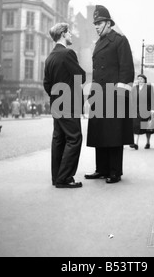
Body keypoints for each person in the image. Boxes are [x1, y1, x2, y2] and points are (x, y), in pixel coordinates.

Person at [85, 5, 135, 184]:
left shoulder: (120, 41)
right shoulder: (98, 43)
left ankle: (115, 171)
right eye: (95, 24)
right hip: (99, 95)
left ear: (108, 23)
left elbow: (127, 70)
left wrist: (121, 97)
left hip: (114, 97)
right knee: (100, 133)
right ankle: (101, 168)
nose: (96, 26)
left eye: (99, 23)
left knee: (114, 134)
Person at [44, 23, 86, 189]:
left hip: (56, 104)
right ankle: (65, 177)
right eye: (69, 32)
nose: (71, 35)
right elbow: (81, 76)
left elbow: (46, 84)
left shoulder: (50, 57)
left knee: (59, 140)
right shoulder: (68, 53)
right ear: (63, 33)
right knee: (74, 138)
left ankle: (56, 177)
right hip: (69, 104)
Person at [130, 74, 154, 150]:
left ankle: (148, 142)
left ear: (145, 80)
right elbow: (131, 99)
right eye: (138, 79)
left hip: (146, 110)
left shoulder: (149, 88)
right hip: (136, 111)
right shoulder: (134, 88)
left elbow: (152, 98)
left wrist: (152, 109)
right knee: (136, 126)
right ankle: (135, 143)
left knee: (147, 128)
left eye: (141, 79)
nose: (140, 80)